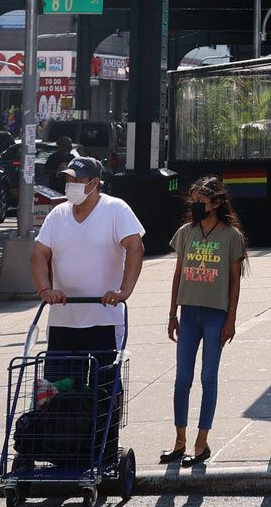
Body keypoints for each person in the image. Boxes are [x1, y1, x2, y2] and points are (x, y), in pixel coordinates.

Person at [30, 156, 145, 395]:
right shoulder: (58, 214)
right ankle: (63, 432)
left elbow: (135, 246)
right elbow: (39, 254)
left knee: (104, 389)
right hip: (64, 317)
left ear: (95, 183)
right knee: (56, 390)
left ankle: (106, 431)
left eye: (78, 180)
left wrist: (125, 291)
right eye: (69, 180)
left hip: (103, 316)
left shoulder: (115, 209)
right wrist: (45, 289)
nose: (72, 185)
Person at [163, 177, 247, 467]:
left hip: (216, 314)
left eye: (202, 200)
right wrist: (172, 313)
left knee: (208, 378)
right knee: (181, 379)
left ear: (217, 202)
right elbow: (178, 274)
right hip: (188, 313)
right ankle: (179, 440)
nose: (196, 205)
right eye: (193, 200)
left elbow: (235, 281)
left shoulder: (231, 236)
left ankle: (202, 442)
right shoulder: (186, 232)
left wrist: (232, 318)